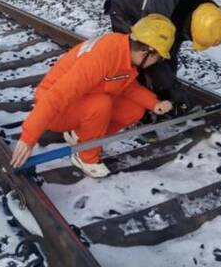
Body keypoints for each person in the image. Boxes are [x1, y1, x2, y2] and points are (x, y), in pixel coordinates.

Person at [10, 14, 176, 178]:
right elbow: (57, 95)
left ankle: (80, 135)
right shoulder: (103, 57)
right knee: (101, 104)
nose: (157, 62)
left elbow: (126, 86)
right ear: (146, 52)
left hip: (80, 101)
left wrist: (153, 103)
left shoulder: (124, 52)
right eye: (159, 58)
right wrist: (28, 138)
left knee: (134, 110)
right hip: (57, 110)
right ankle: (85, 156)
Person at [103, 0, 221, 111]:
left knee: (165, 55)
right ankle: (135, 103)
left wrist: (171, 89)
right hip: (125, 6)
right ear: (191, 27)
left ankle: (161, 97)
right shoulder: (159, 10)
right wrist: (172, 90)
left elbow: (169, 53)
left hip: (166, 6)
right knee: (135, 58)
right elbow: (152, 54)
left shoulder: (208, 13)